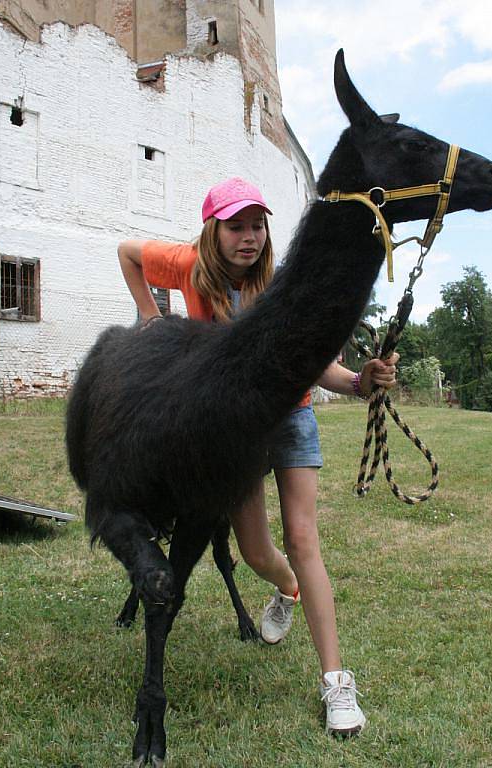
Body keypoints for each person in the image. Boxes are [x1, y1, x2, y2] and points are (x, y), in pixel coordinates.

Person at [117, 177, 398, 737]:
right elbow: (127, 254)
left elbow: (320, 365)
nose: (249, 237)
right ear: (213, 231)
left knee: (302, 538)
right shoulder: (188, 267)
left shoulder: (283, 287)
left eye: (257, 225)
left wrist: (362, 382)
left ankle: (336, 681)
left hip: (289, 415)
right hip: (232, 426)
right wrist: (151, 315)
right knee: (254, 552)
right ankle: (287, 589)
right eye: (237, 226)